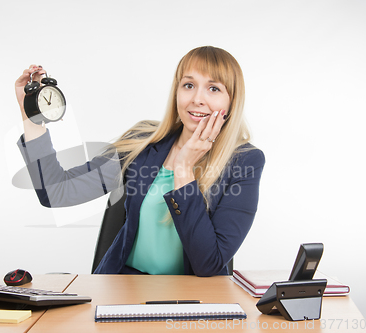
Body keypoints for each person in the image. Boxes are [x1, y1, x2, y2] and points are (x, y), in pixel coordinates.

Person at [15, 46, 265, 277]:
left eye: (213, 88)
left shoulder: (245, 162)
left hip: (193, 301)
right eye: (188, 85)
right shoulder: (143, 142)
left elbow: (208, 264)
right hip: (124, 289)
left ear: (231, 101)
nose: (197, 99)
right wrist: (31, 116)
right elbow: (56, 192)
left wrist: (183, 167)